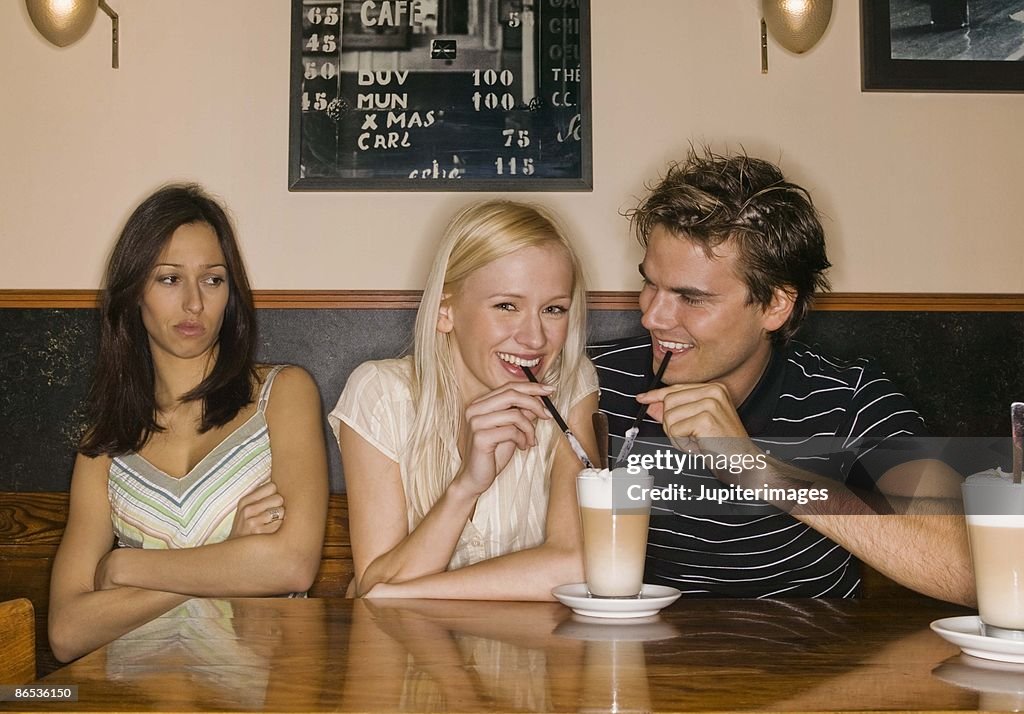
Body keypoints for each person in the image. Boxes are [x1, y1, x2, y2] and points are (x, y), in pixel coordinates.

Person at [590, 148, 974, 604]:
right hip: (624, 668)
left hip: (810, 669)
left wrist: (760, 471)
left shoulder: (848, 398)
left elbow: (968, 569)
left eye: (691, 298)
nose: (652, 316)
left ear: (775, 305)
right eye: (650, 282)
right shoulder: (592, 382)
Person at [48, 184, 329, 662]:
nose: (195, 303)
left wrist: (129, 567)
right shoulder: (104, 444)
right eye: (170, 279)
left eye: (213, 280)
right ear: (135, 291)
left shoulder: (282, 395)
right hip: (137, 697)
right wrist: (232, 559)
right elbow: (68, 631)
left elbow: (291, 565)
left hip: (258, 695)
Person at [331, 200, 598, 600]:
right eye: (507, 306)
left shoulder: (572, 383)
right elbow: (374, 583)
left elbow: (577, 566)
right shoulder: (381, 393)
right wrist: (466, 487)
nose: (535, 339)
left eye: (554, 309)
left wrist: (403, 593)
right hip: (413, 659)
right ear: (445, 311)